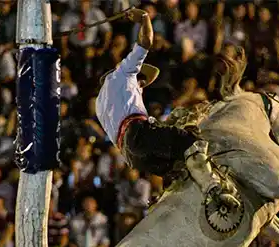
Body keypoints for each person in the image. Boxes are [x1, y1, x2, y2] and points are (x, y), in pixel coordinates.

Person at [96, 7, 238, 208]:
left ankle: (175, 203)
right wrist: (144, 19)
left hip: (132, 155)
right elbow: (146, 41)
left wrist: (138, 85)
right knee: (191, 142)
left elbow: (148, 77)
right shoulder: (124, 72)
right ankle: (214, 189)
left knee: (179, 168)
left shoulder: (102, 102)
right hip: (139, 134)